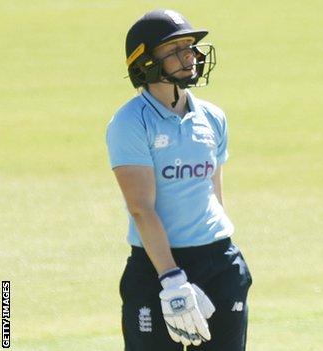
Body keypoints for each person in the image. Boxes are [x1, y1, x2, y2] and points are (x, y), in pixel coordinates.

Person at [106, 9, 251, 351]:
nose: (190, 56)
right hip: (157, 267)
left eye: (189, 47)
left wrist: (221, 251)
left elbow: (213, 192)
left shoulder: (212, 117)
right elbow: (141, 208)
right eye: (175, 49)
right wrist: (171, 279)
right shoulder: (131, 122)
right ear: (146, 63)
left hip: (219, 260)